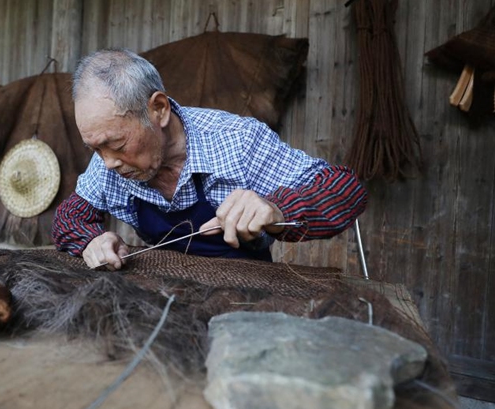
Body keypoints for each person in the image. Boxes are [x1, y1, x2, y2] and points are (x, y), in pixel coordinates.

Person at [52, 48, 368, 270]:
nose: (108, 163)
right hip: (163, 286)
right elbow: (70, 218)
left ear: (159, 109)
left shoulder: (238, 141)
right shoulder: (110, 162)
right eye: (96, 149)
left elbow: (345, 190)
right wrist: (91, 241)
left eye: (117, 144)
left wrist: (276, 208)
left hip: (249, 292)